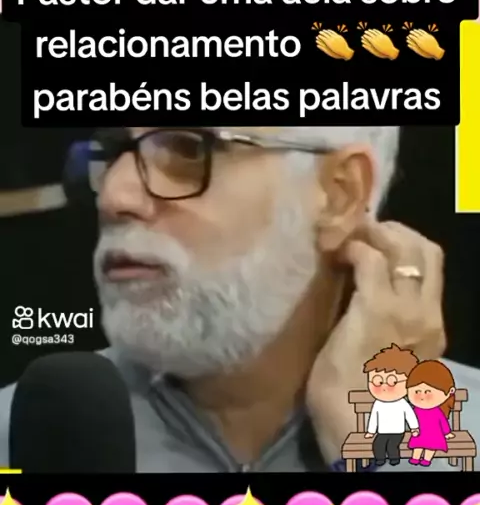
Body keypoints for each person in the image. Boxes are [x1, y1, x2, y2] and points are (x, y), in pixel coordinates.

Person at [1, 125, 478, 472]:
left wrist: (376, 437)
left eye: (187, 147)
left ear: (338, 196)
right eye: (111, 152)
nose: (114, 196)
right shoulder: (20, 435)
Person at [363, 344, 420, 466]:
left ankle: (394, 459)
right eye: (378, 381)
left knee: (392, 446)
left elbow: (410, 415)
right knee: (378, 444)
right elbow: (373, 418)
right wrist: (371, 431)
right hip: (382, 431)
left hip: (397, 431)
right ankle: (380, 460)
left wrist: (414, 428)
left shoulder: (402, 403)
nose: (384, 386)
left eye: (392, 382)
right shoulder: (378, 403)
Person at [406, 361, 456, 466]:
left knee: (431, 447)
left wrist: (447, 433)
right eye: (417, 391)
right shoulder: (415, 410)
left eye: (428, 392)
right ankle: (415, 458)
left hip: (434, 434)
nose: (422, 396)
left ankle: (427, 459)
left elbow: (443, 422)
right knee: (417, 445)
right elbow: (410, 419)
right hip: (420, 433)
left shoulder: (437, 411)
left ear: (449, 392)